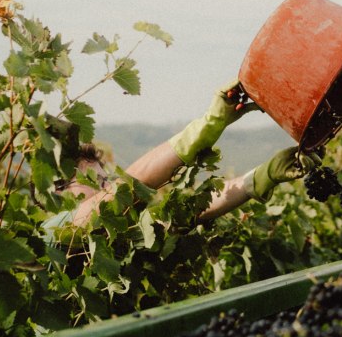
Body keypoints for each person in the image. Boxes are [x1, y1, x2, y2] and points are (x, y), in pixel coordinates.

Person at [44, 80, 319, 234]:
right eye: (92, 181)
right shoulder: (53, 232)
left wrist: (261, 176)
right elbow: (125, 188)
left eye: (105, 180)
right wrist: (207, 127)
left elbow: (184, 214)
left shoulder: (123, 232)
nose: (105, 187)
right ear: (56, 191)